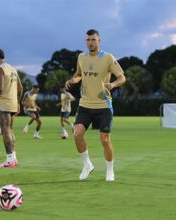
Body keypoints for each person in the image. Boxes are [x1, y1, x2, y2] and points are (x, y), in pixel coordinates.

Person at [65, 29, 126, 181]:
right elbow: (79, 74)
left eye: (93, 39)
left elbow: (122, 77)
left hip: (104, 105)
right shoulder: (81, 57)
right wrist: (73, 80)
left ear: (99, 41)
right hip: (85, 105)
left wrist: (112, 84)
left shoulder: (108, 58)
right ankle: (87, 165)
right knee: (77, 133)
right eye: (88, 40)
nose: (90, 42)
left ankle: (110, 170)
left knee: (105, 139)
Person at [0, 48, 23, 168]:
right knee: (10, 130)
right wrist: (18, 103)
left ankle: (9, 160)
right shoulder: (12, 69)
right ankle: (13, 158)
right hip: (13, 103)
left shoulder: (0, 69)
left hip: (4, 104)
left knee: (5, 131)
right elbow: (20, 87)